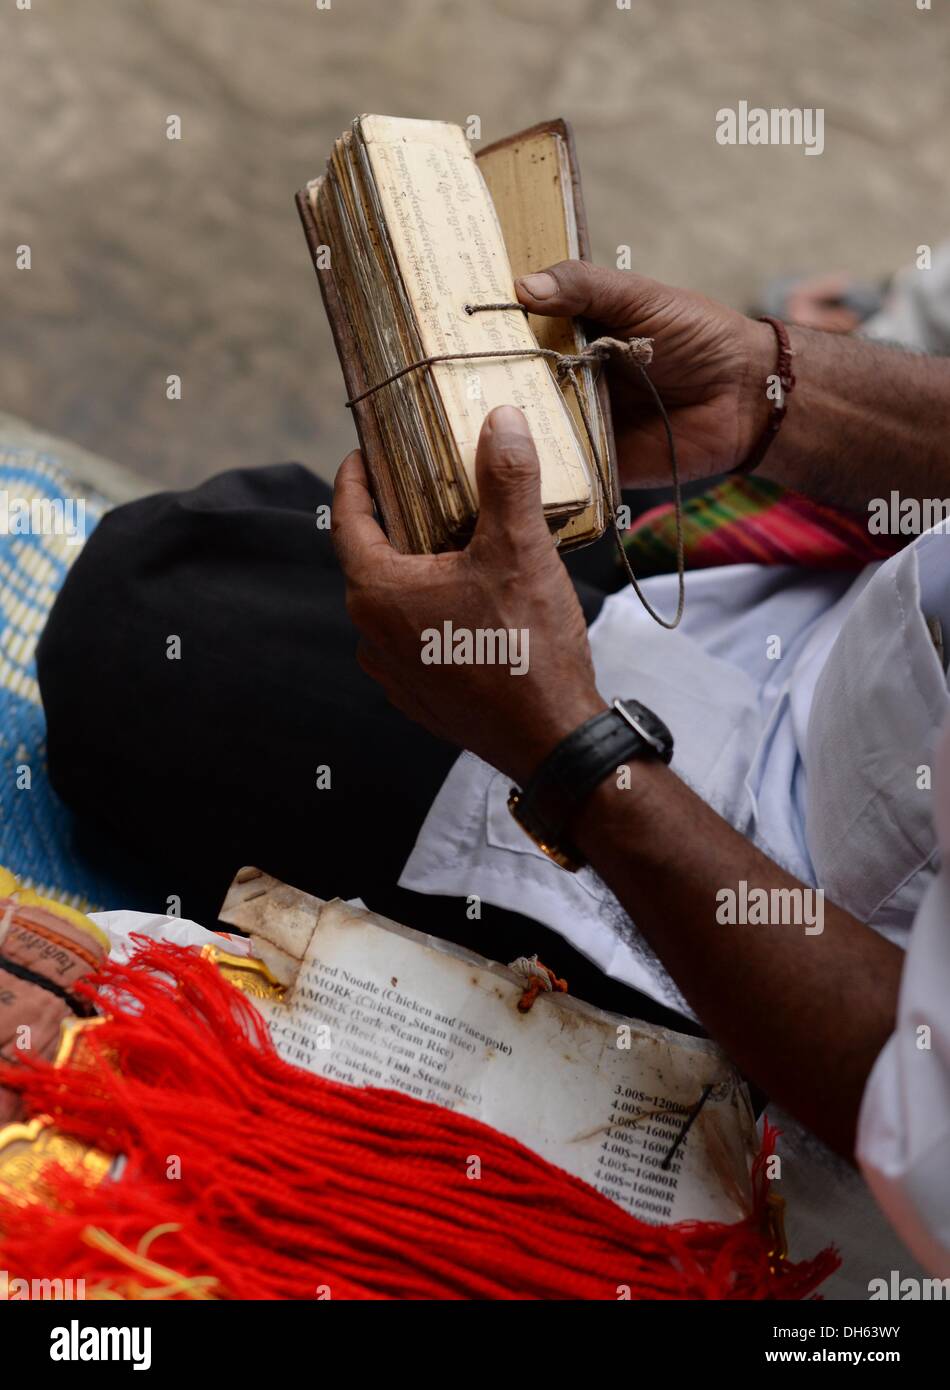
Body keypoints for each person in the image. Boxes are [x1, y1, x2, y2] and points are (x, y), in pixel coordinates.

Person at [37, 260, 950, 1290]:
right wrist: (770, 394)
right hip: (811, 644)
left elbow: (915, 1091)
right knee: (256, 542)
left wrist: (565, 747)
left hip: (770, 951)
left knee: (148, 628)